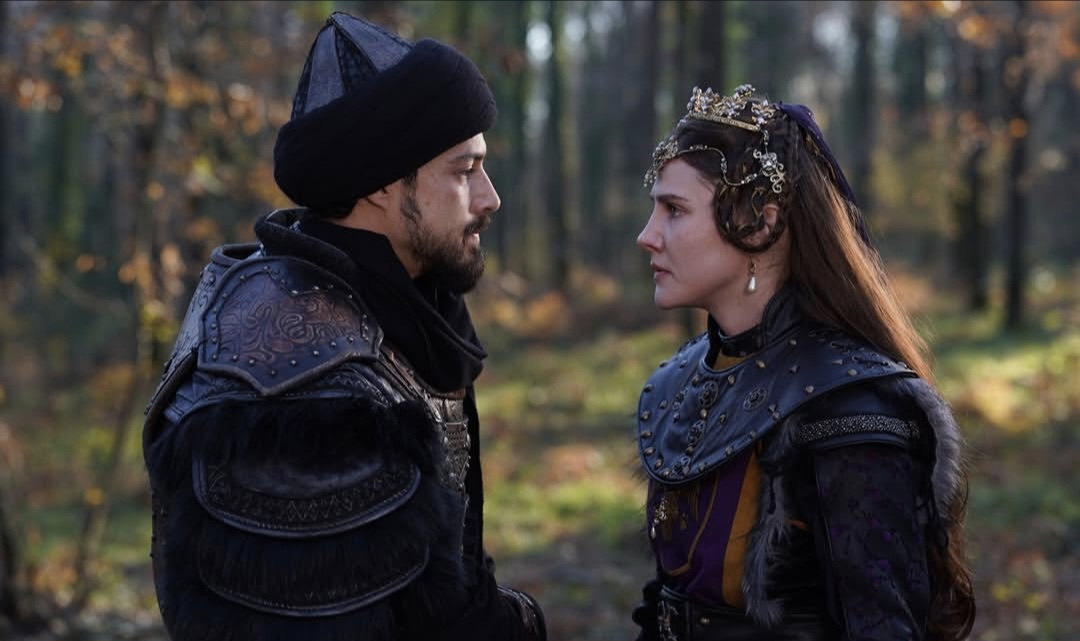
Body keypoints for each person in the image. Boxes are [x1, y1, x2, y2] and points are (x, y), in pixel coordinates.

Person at [141, 12, 545, 641]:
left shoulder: (392, 310)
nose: (489, 197)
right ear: (382, 186)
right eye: (464, 171)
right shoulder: (298, 389)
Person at [629, 84, 976, 641]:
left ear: (760, 224)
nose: (647, 236)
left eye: (674, 210)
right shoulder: (683, 381)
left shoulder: (848, 408)